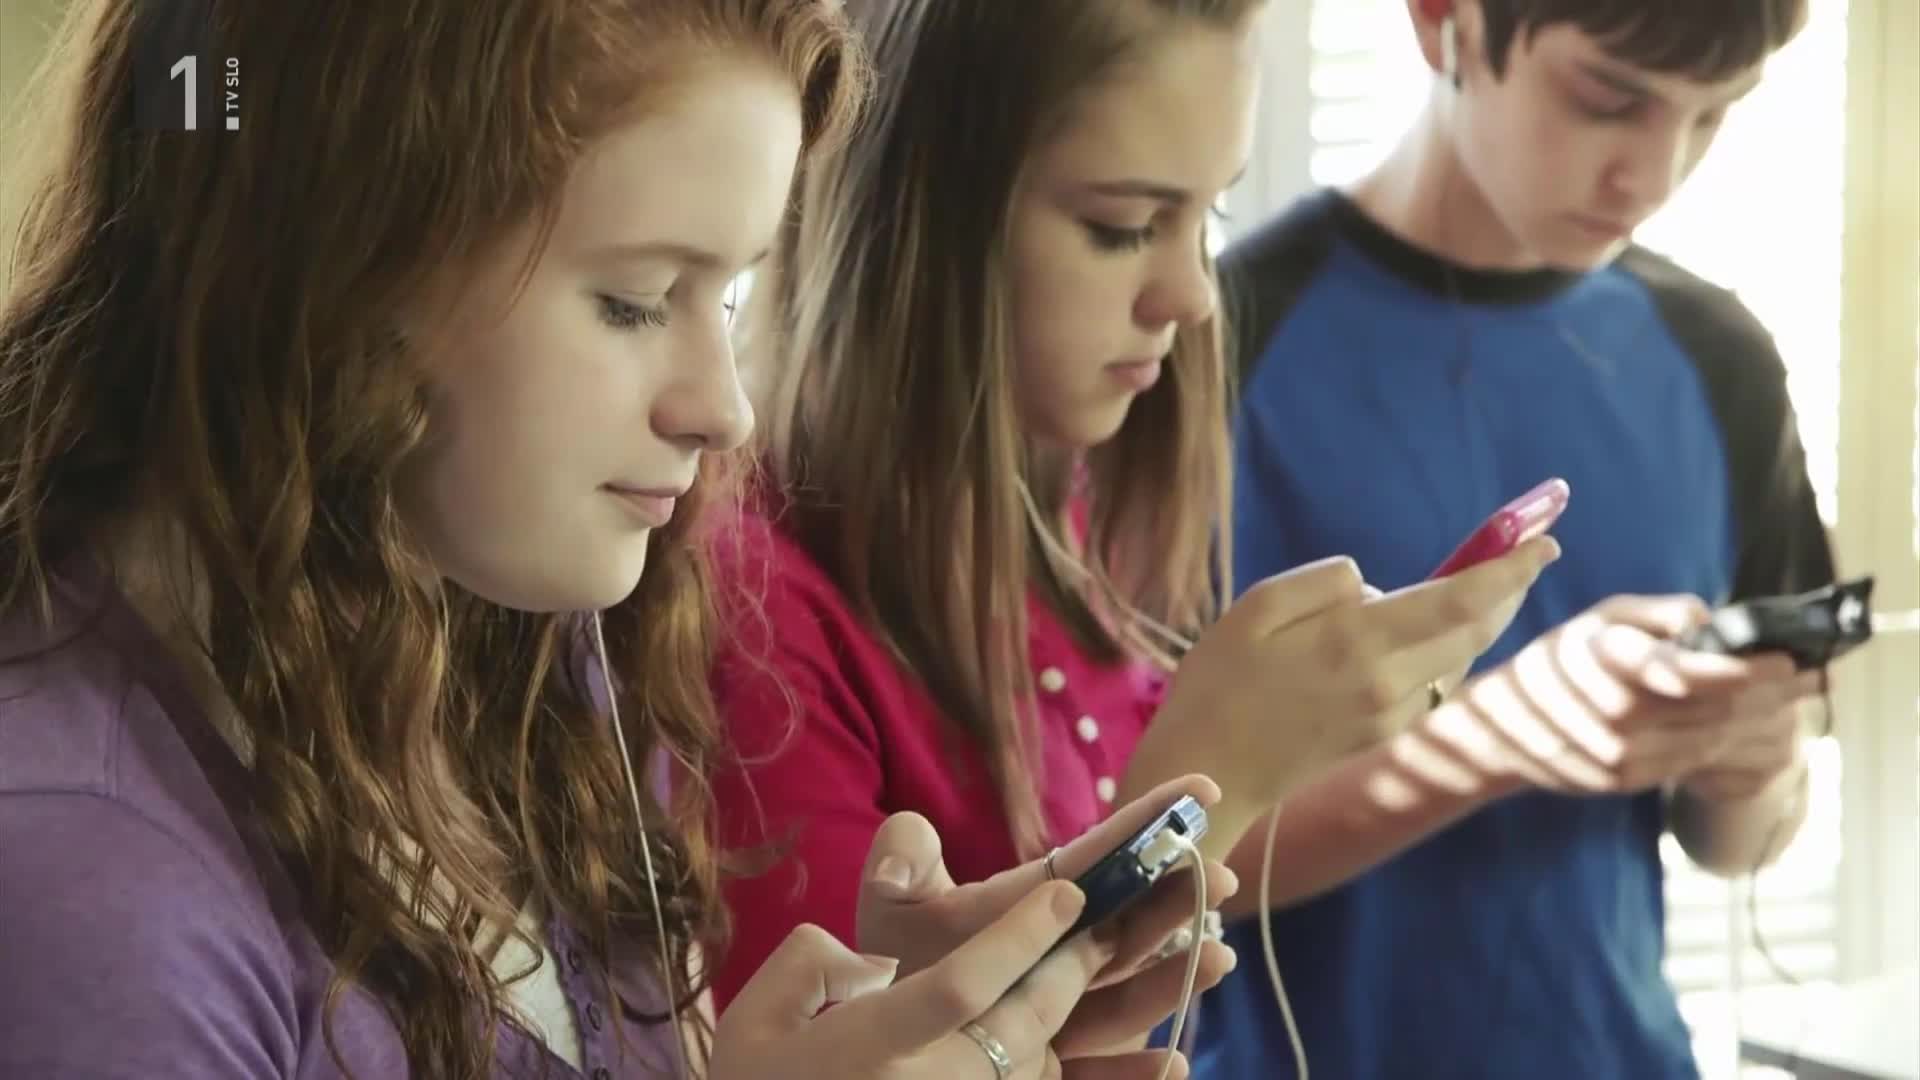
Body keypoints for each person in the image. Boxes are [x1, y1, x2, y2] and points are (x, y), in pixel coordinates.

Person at [0, 3, 1234, 1078]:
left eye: (729, 297)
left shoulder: (532, 649)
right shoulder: (87, 892)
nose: (723, 408)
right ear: (340, 269)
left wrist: (892, 1025)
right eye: (635, 301)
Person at [703, 0, 1559, 1019]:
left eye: (1209, 218)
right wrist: (1210, 773)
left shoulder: (1061, 517)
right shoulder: (751, 609)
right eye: (1125, 228)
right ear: (915, 222)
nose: (1192, 297)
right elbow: (870, 1052)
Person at [1198, 0, 1834, 1076]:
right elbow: (1129, 851)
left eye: (1711, 115)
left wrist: (1751, 771)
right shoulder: (1206, 345)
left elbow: (1736, 844)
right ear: (1441, 20)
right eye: (1607, 99)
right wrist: (1486, 742)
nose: (1654, 175)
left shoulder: (1722, 359)